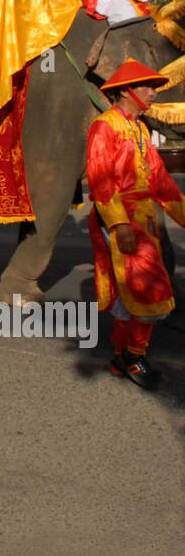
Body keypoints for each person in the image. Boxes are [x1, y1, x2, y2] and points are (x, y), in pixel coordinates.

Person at [86, 58, 185, 388]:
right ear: (126, 92)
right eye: (146, 87)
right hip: (122, 220)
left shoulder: (140, 129)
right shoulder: (105, 126)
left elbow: (161, 182)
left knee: (128, 295)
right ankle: (135, 357)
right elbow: (100, 180)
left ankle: (120, 358)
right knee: (146, 289)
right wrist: (119, 225)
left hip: (143, 220)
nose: (153, 93)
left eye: (154, 87)